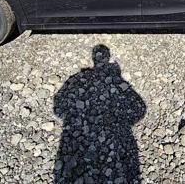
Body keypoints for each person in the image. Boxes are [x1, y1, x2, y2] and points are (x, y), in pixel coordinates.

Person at [54, 45, 146, 183]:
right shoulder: (117, 80)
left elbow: (58, 106)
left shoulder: (78, 77)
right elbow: (140, 108)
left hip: (79, 139)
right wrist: (124, 122)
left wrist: (72, 119)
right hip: (116, 143)